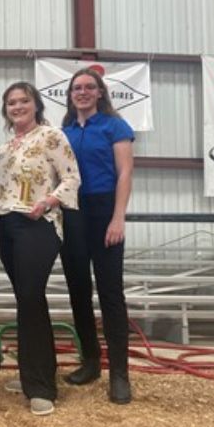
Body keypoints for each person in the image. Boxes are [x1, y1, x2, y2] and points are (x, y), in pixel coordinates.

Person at [0, 81, 81, 416]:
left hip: (38, 223)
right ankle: (31, 373)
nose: (17, 107)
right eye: (11, 102)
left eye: (23, 101)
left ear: (36, 104)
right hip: (7, 224)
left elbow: (72, 177)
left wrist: (49, 201)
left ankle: (43, 386)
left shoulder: (52, 137)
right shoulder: (5, 149)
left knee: (31, 296)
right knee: (27, 301)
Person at [60, 68, 135, 404]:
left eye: (90, 87)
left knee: (110, 294)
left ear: (101, 92)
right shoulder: (63, 131)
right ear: (70, 94)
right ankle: (90, 361)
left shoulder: (114, 127)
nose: (83, 92)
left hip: (104, 210)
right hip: (73, 212)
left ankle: (120, 373)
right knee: (78, 290)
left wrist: (117, 218)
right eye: (77, 87)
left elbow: (125, 174)